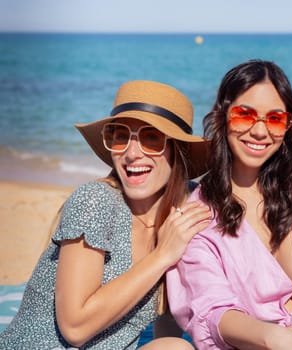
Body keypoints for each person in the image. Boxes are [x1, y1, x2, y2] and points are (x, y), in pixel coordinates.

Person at [165, 59, 292, 350]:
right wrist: (275, 337)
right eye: (244, 115)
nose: (260, 131)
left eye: (275, 118)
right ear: (222, 116)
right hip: (253, 344)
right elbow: (213, 310)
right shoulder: (201, 211)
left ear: (289, 125)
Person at [0, 80, 212, 349]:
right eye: (121, 136)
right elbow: (74, 328)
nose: (132, 153)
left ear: (177, 151)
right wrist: (162, 256)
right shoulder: (96, 201)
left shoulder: (186, 207)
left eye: (151, 138)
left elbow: (171, 313)